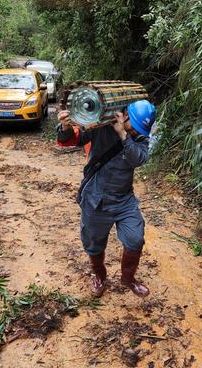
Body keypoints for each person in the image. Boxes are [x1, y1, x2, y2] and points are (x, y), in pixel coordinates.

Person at [56, 100, 156, 298]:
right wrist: (65, 126)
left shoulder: (139, 137)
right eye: (134, 127)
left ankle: (128, 278)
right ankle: (100, 275)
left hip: (124, 198)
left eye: (139, 129)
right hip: (96, 197)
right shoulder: (101, 126)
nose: (136, 132)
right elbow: (73, 140)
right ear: (124, 115)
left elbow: (139, 159)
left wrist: (124, 134)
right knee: (93, 243)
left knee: (135, 239)